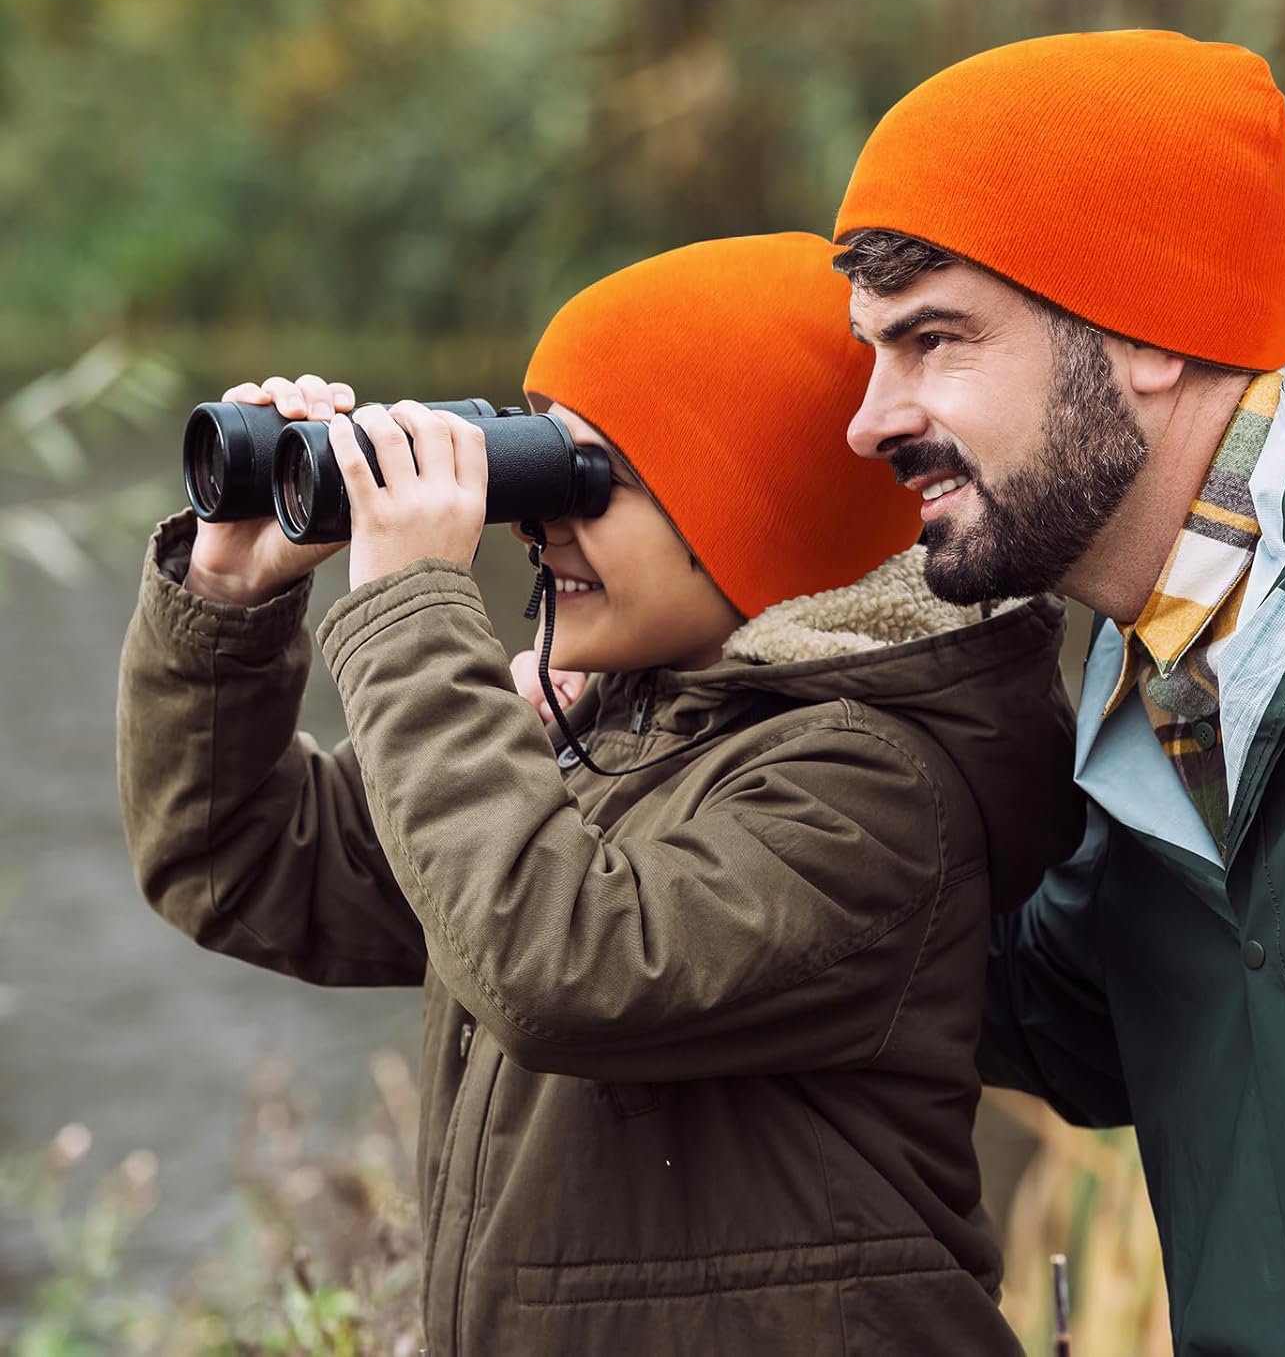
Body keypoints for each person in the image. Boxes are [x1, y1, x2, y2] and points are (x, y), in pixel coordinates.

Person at [116, 232, 1082, 1355]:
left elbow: (562, 964)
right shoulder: (617, 728)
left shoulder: (880, 788)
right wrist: (230, 596)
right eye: (529, 465)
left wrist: (417, 609)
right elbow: (238, 862)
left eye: (589, 480)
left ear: (760, 508)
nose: (535, 522)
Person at [831, 29, 1285, 1355]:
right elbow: (1034, 1028)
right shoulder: (1151, 686)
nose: (872, 418)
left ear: (1141, 329)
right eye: (872, 352)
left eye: (934, 339)